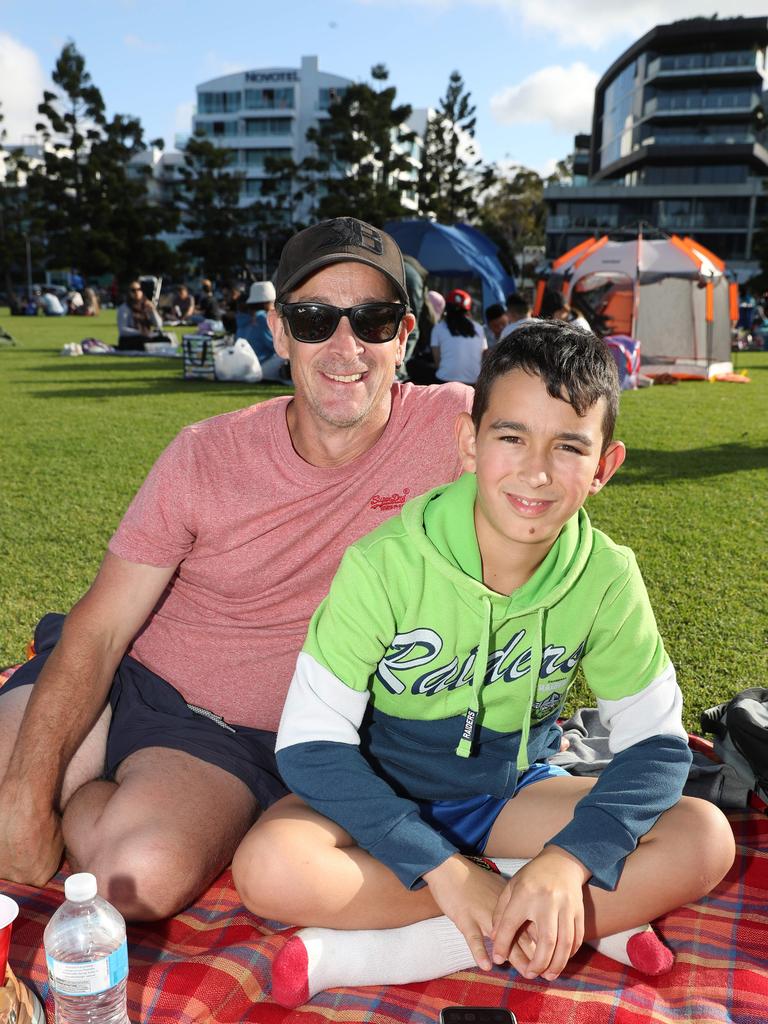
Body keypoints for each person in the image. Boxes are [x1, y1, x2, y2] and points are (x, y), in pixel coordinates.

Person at [233, 321, 735, 1007]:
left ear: (604, 468)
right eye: (512, 437)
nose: (535, 471)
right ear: (468, 443)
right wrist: (442, 867)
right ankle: (572, 916)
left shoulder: (608, 577)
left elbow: (656, 748)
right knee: (267, 868)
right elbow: (311, 746)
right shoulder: (384, 565)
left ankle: (400, 947)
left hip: (510, 795)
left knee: (704, 837)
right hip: (385, 796)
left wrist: (565, 860)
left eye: (568, 448)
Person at [0, 217, 473, 922]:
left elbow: (560, 437)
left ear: (404, 336)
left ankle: (92, 802)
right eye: (314, 320)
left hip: (237, 737)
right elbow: (100, 629)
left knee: (137, 879)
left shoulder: (456, 430)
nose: (345, 348)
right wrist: (22, 798)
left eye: (371, 320)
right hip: (127, 673)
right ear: (279, 332)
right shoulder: (205, 453)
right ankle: (74, 787)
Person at [431, 288, 488, 385]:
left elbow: (437, 362)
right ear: (468, 308)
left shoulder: (438, 328)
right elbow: (484, 355)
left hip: (445, 381)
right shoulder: (479, 328)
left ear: (447, 307)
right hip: (473, 382)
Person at [235, 281, 288, 381]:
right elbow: (275, 346)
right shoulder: (263, 318)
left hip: (241, 368)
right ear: (267, 302)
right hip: (259, 367)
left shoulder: (242, 318)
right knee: (290, 354)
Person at [116, 281, 165, 350]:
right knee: (146, 342)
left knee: (165, 339)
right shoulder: (124, 308)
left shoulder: (146, 305)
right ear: (129, 293)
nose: (136, 292)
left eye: (139, 289)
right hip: (130, 339)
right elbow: (123, 330)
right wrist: (141, 333)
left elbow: (159, 324)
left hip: (146, 336)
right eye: (133, 290)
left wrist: (153, 310)